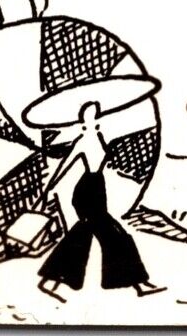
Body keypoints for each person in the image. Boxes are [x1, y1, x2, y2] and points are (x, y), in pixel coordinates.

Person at [33, 101, 166, 301]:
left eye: (97, 114)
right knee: (115, 236)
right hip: (86, 193)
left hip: (97, 188)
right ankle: (139, 284)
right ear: (84, 119)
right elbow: (65, 165)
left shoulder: (100, 137)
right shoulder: (83, 141)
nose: (96, 118)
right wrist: (49, 188)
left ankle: (50, 281)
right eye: (91, 115)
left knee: (81, 237)